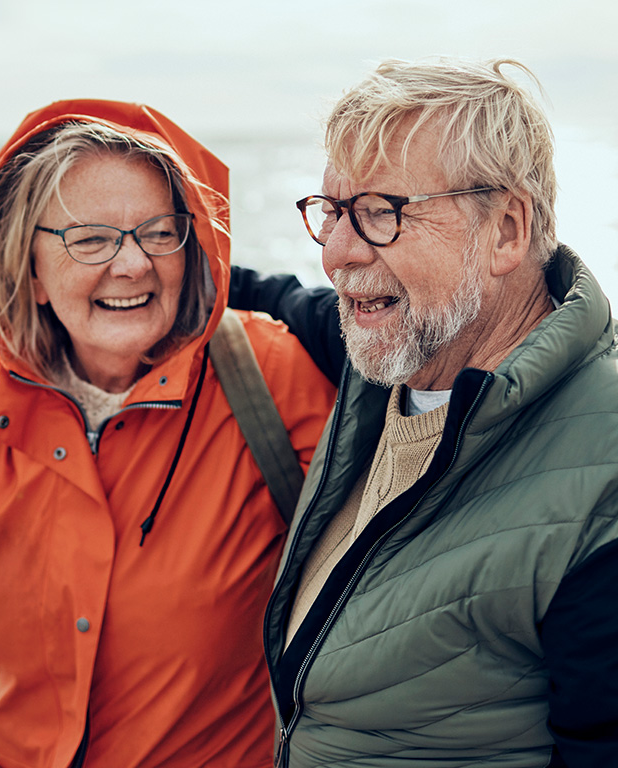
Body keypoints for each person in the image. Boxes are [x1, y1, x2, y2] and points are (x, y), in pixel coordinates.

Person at [0, 100, 336, 768]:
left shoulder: (264, 374)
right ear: (30, 269)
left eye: (158, 233)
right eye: (90, 239)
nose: (133, 264)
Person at [232, 59, 618, 767]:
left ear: (505, 228)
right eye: (333, 212)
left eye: (383, 213)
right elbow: (283, 299)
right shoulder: (390, 358)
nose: (341, 254)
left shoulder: (603, 469)